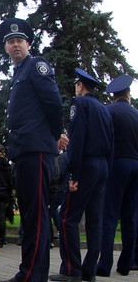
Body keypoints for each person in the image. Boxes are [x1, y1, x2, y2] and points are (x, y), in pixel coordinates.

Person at [0, 18, 65, 282]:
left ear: (28, 44)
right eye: (10, 42)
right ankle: (31, 271)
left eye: (19, 41)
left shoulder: (36, 65)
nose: (15, 45)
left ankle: (32, 275)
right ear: (5, 48)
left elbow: (54, 103)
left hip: (36, 149)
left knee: (35, 215)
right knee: (31, 213)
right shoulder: (19, 72)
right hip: (24, 151)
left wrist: (52, 137)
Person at [49, 69, 113, 282]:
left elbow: (77, 139)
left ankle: (71, 269)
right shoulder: (104, 109)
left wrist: (73, 172)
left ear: (80, 86)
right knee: (95, 220)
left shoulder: (79, 103)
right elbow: (111, 144)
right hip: (102, 166)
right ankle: (89, 271)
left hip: (85, 165)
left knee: (68, 218)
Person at [96, 74, 138, 277]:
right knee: (130, 217)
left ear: (113, 95)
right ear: (128, 95)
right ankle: (126, 265)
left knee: (109, 216)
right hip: (136, 166)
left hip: (116, 165)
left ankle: (104, 265)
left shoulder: (107, 111)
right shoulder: (137, 115)